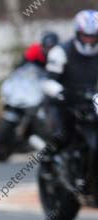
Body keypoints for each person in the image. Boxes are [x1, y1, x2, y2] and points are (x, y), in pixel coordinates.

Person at [40, 10, 98, 173]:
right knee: (62, 137)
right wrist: (62, 92)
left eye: (94, 36)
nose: (90, 40)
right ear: (77, 33)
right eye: (86, 35)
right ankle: (47, 164)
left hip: (89, 104)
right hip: (62, 104)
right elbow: (48, 81)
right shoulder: (60, 52)